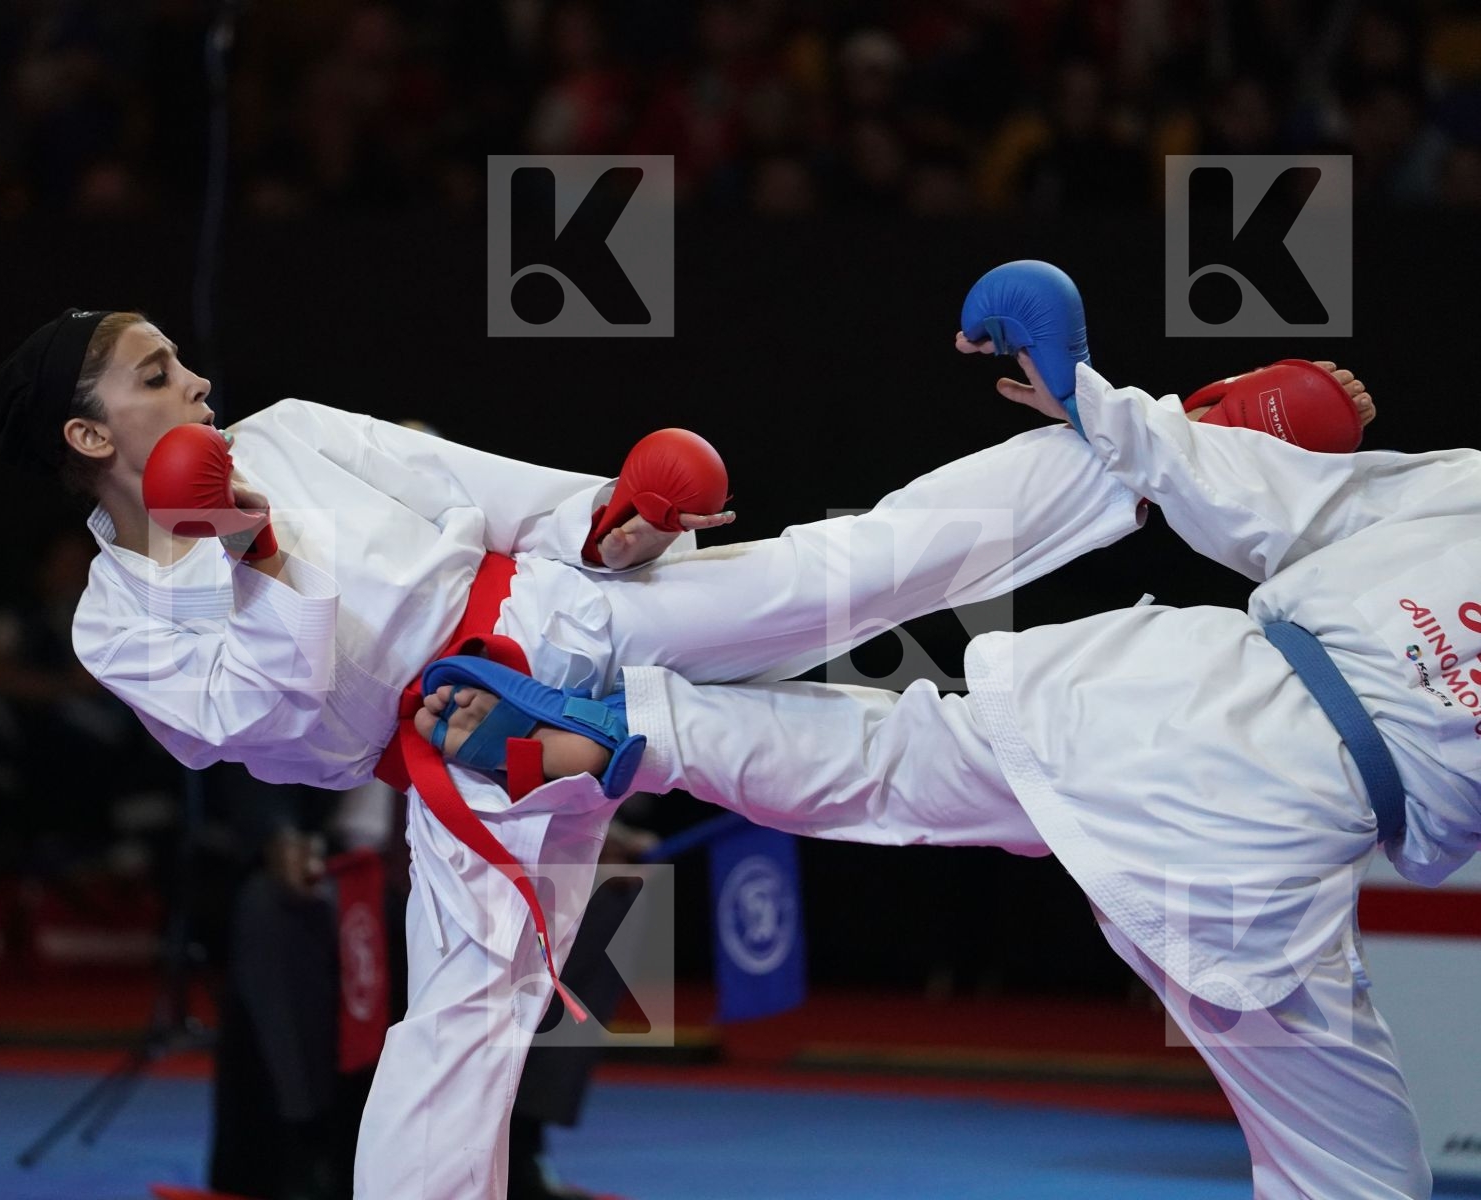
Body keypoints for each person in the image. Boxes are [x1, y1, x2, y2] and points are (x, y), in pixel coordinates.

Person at [0, 292, 1341, 1198]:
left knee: (844, 568)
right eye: (160, 375)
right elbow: (273, 728)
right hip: (470, 743)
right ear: (93, 434)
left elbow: (493, 500)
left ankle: (1184, 439)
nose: (201, 380)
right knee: (461, 1027)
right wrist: (252, 550)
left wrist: (612, 520)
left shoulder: (290, 432)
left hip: (568, 604)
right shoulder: (117, 622)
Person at [431, 273, 1461, 1199]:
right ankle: (628, 730)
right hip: (1258, 853)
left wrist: (1109, 407)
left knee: (888, 758)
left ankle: (624, 731)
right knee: (1360, 1180)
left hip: (1168, 695)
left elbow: (1273, 508)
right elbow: (1284, 509)